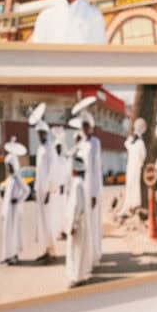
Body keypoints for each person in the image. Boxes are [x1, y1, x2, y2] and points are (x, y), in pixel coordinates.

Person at [72, 111, 104, 264]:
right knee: (85, 223)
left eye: (86, 126)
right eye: (82, 126)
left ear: (91, 127)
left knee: (94, 222)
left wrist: (94, 193)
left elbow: (96, 169)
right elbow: (73, 160)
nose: (84, 129)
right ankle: (87, 254)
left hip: (92, 189)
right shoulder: (81, 143)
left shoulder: (95, 142)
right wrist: (76, 144)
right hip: (82, 188)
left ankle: (95, 254)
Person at [64, 153, 93, 288]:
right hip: (80, 222)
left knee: (75, 251)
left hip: (77, 223)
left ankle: (76, 278)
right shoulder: (80, 183)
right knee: (79, 250)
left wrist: (73, 224)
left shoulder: (76, 185)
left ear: (74, 170)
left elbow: (77, 206)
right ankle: (79, 276)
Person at [0, 141, 28, 265]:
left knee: (14, 233)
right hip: (8, 211)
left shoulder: (17, 177)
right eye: (7, 166)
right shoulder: (10, 178)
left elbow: (27, 190)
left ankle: (14, 256)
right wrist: (3, 211)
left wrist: (18, 200)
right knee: (7, 234)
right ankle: (7, 255)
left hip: (15, 211)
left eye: (10, 165)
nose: (8, 168)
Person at [32, 117, 56, 263]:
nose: (40, 135)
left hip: (46, 192)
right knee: (41, 221)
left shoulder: (50, 148)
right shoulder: (40, 148)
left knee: (48, 221)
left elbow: (52, 172)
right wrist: (36, 189)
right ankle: (45, 249)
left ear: (46, 133)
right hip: (40, 190)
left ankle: (51, 252)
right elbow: (38, 171)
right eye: (38, 133)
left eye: (42, 133)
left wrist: (48, 191)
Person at [119, 117, 147, 216]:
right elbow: (143, 156)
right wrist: (141, 163)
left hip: (131, 167)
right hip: (135, 167)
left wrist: (130, 137)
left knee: (131, 185)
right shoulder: (140, 143)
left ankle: (130, 206)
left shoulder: (132, 143)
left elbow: (126, 143)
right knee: (134, 185)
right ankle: (133, 205)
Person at [50, 127, 71, 242]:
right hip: (55, 192)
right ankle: (58, 231)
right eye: (56, 147)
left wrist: (64, 186)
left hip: (63, 193)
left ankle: (64, 231)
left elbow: (67, 175)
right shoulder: (53, 162)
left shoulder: (64, 160)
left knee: (64, 212)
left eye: (60, 147)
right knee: (56, 213)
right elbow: (51, 177)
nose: (58, 149)